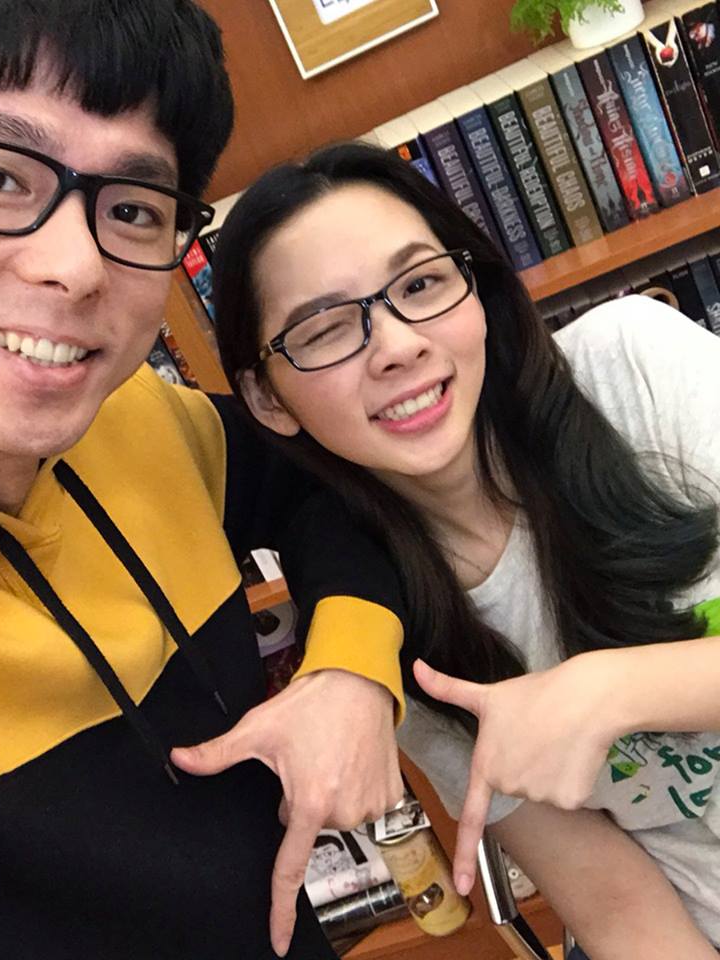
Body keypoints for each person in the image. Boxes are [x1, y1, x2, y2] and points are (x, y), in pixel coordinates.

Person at [0, 5, 412, 958]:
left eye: (134, 208)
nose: (75, 267)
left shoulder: (144, 421)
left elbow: (324, 487)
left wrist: (352, 667)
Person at [211, 141, 720, 958]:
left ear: (474, 285)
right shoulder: (392, 633)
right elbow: (619, 910)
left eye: (420, 285)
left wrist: (608, 692)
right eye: (326, 328)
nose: (398, 345)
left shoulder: (633, 367)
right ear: (268, 399)